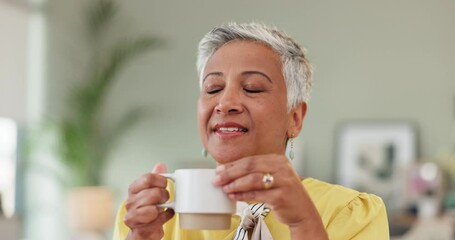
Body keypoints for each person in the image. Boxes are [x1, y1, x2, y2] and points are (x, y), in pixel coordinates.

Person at [113, 22, 389, 240]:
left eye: (252, 88)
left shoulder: (351, 212)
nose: (225, 103)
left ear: (295, 117)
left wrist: (303, 223)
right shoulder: (154, 211)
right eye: (213, 89)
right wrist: (140, 238)